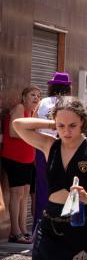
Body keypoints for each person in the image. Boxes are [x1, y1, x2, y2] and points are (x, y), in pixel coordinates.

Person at [13, 97, 87, 260]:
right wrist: (51, 124)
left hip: (81, 226)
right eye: (61, 126)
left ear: (83, 122)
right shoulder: (49, 145)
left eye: (72, 125)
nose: (66, 131)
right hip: (50, 227)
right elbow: (18, 125)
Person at [33, 72, 72, 228]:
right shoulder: (69, 103)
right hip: (63, 149)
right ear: (68, 87)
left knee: (42, 187)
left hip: (42, 148)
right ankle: (61, 225)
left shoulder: (42, 103)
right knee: (63, 186)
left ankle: (39, 226)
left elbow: (33, 123)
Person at [3, 85, 40, 243]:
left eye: (38, 96)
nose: (36, 98)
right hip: (14, 157)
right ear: (24, 97)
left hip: (28, 158)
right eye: (32, 95)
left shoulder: (32, 112)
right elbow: (12, 131)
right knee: (17, 194)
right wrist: (32, 130)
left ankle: (24, 229)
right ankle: (14, 232)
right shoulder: (19, 108)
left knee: (25, 195)